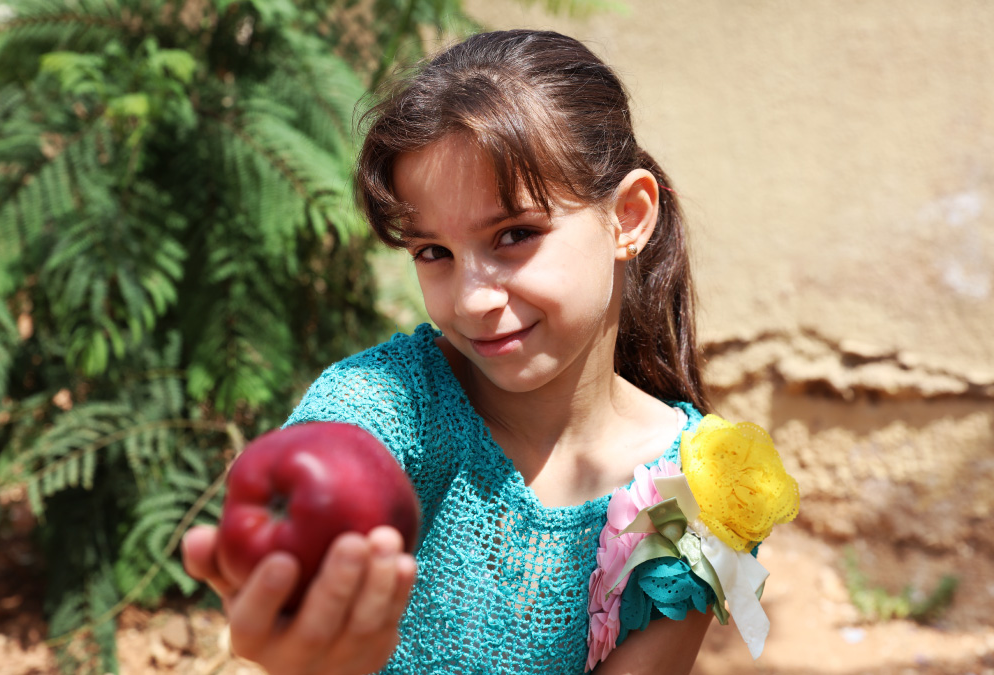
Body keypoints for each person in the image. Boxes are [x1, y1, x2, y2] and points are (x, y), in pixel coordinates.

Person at [182, 29, 798, 675]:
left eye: (513, 235)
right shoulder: (395, 400)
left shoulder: (699, 491)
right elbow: (333, 449)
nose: (472, 299)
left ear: (629, 217)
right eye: (433, 252)